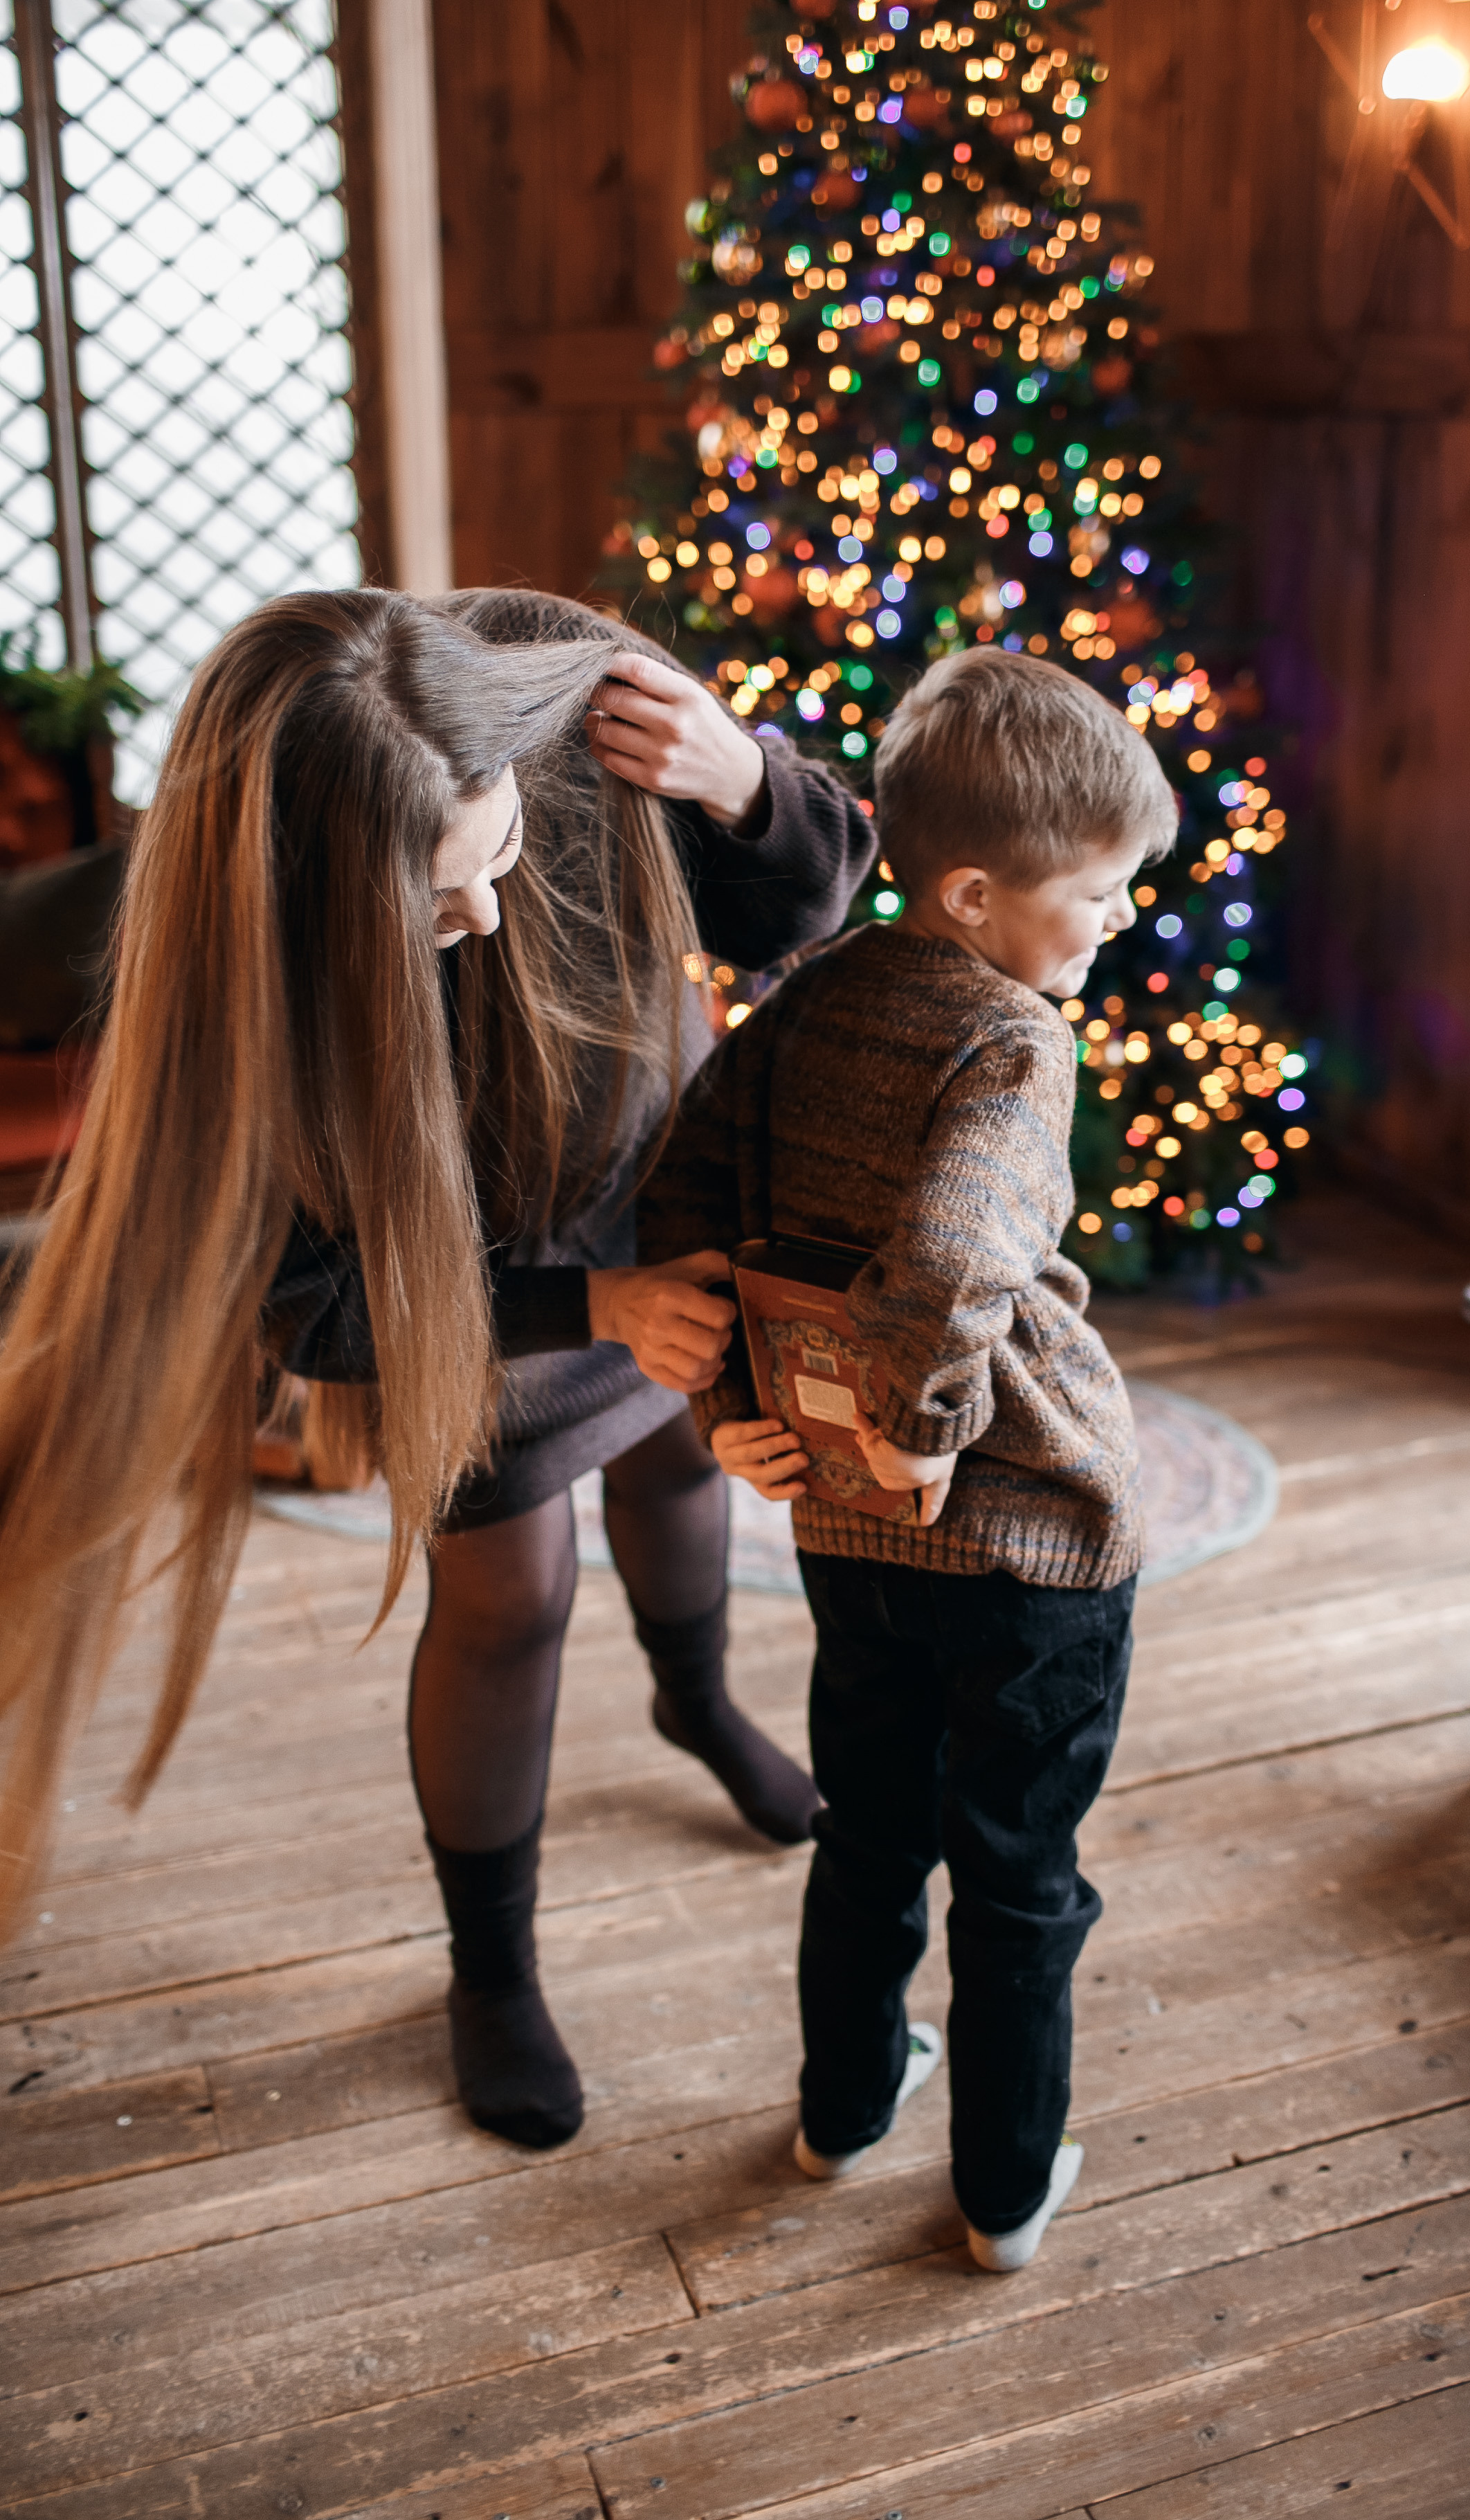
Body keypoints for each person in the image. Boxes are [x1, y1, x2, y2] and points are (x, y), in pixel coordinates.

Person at [0, 586, 874, 2153]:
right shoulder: (243, 1004)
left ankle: (697, 1703)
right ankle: (490, 1961)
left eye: (496, 858)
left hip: (655, 1206)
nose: (482, 915)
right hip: (468, 1301)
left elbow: (799, 909)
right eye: (434, 900)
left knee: (683, 1461)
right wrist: (587, 1306)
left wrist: (746, 782)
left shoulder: (558, 716)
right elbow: (314, 1318)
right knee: (509, 1599)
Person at [642, 647, 1177, 2270]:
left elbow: (680, 1205)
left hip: (846, 1527)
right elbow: (954, 1260)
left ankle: (843, 2105)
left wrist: (728, 1400)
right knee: (1018, 1871)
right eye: (1095, 894)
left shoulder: (807, 993)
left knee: (871, 1823)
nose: (1112, 923)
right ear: (967, 892)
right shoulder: (1014, 1037)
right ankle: (1005, 2187)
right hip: (1026, 1544)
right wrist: (917, 1419)